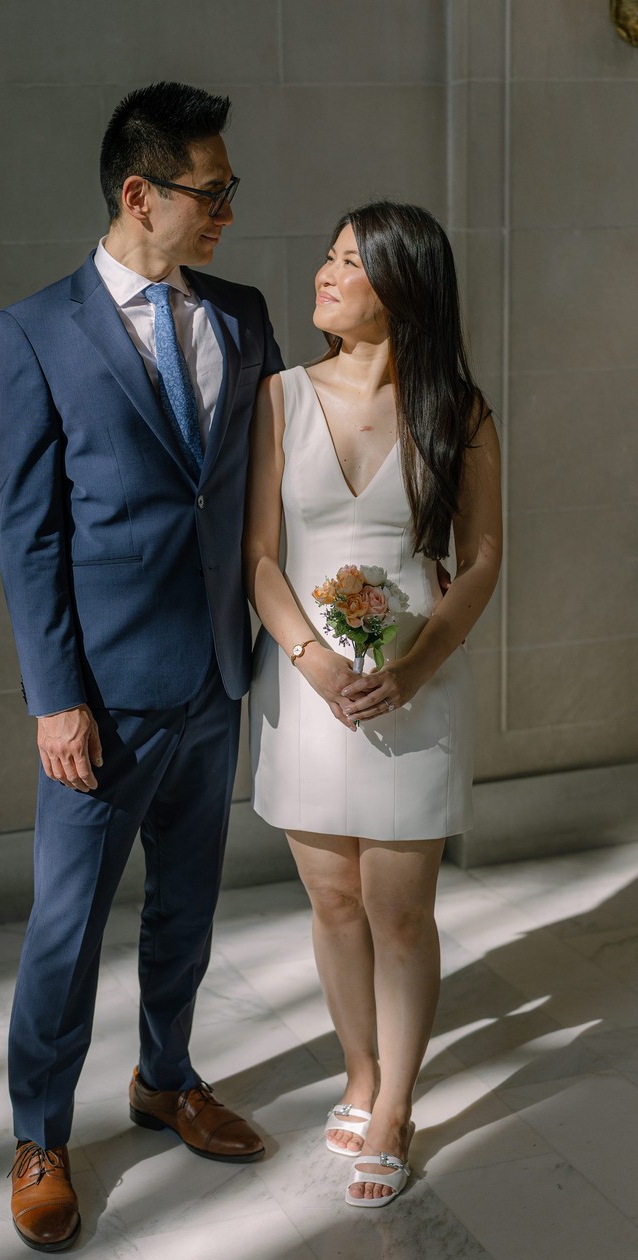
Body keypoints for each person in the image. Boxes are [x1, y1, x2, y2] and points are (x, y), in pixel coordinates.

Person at [0, 81, 283, 1252]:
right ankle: (38, 1134)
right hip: (98, 703)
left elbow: (261, 486)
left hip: (215, 680)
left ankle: (166, 1079)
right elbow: (28, 533)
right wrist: (55, 697)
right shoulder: (34, 332)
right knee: (66, 930)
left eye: (229, 192)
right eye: (209, 193)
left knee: (188, 911)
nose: (224, 212)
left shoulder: (244, 313)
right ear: (138, 193)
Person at [244, 201, 501, 1209]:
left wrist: (419, 664)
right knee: (334, 901)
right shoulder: (276, 398)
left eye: (348, 262)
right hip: (307, 690)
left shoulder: (458, 409)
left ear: (399, 286)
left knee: (399, 912)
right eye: (328, 254)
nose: (324, 273)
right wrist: (308, 660)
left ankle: (394, 1103)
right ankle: (358, 1071)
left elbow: (481, 560)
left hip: (413, 686)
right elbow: (260, 558)